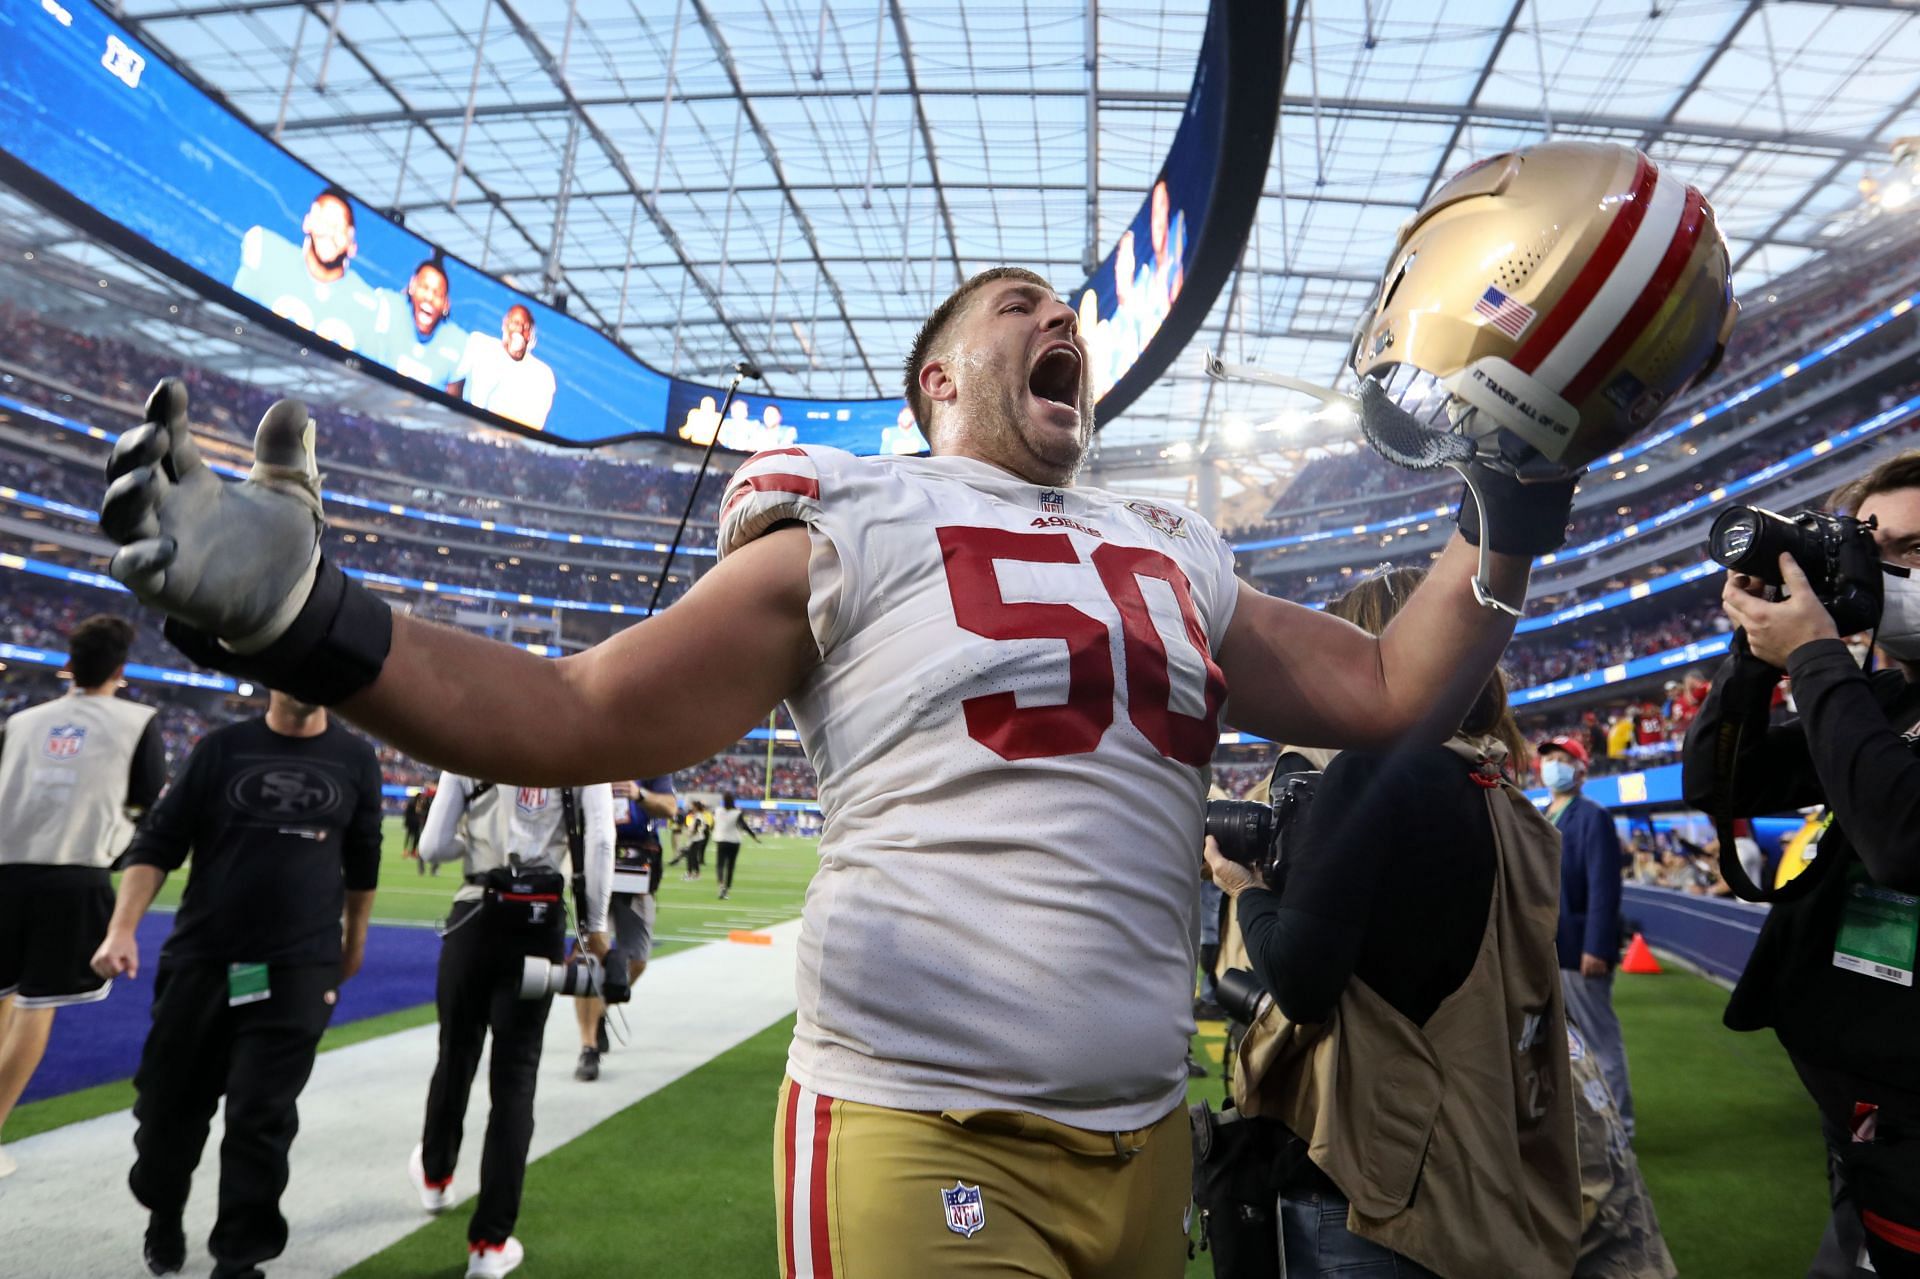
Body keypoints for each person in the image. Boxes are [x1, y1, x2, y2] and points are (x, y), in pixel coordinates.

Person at [100, 143, 1731, 1277]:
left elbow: (1388, 686)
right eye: (1018, 302)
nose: (1063, 318)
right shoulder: (852, 527)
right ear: (935, 382)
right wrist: (322, 619)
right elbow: (578, 709)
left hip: (1143, 1126)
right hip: (917, 1123)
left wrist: (1512, 511)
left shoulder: (1175, 545)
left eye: (1067, 309)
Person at [1205, 568, 1582, 1278]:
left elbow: (1300, 980)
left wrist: (1243, 886)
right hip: (1482, 1157)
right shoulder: (1501, 791)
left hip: (1369, 1179)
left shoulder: (1366, 775)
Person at [1683, 452, 1920, 1279]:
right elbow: (1718, 781)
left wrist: (1817, 655)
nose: (1894, 575)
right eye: (1880, 553)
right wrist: (1755, 655)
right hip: (1862, 1116)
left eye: (1918, 551)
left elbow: (1904, 835)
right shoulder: (1883, 704)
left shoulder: (1855, 696)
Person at [91, 690, 381, 1279]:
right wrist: (120, 929)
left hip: (299, 968)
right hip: (204, 959)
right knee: (168, 1112)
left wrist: (352, 946)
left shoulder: (356, 759)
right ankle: (164, 1209)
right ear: (267, 676)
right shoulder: (220, 749)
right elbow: (157, 843)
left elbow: (364, 859)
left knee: (261, 1115)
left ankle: (239, 1260)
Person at [410, 774, 613, 1278]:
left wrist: (476, 845)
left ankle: (436, 1179)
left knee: (455, 1054)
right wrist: (595, 925)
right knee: (515, 1081)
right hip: (537, 925)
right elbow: (601, 840)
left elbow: (433, 844)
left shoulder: (475, 742)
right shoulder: (582, 750)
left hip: (473, 916)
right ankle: (488, 1244)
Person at [0, 614, 166, 1178]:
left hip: (4, 871)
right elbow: (146, 804)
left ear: (68, 663)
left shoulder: (21, 721)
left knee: (4, 998)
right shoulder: (138, 721)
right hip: (74, 874)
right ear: (121, 669)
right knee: (35, 1007)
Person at [1540, 733, 1636, 1141]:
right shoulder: (1545, 813)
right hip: (1551, 947)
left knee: (1598, 1041)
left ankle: (1619, 1127)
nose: (1553, 765)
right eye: (1549, 758)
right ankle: (1580, 1122)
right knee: (1562, 1044)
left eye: (1563, 758)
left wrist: (1596, 946)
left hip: (1580, 949)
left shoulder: (1592, 815)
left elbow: (1603, 887)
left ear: (1581, 770)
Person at [574, 776, 675, 1082]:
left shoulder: (651, 760)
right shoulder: (591, 756)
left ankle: (600, 1010)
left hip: (636, 865)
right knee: (589, 956)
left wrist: (638, 793)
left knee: (637, 959)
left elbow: (670, 807)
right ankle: (588, 1046)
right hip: (594, 859)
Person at [231, 186, 382, 353]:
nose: (330, 233)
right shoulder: (269, 252)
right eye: (325, 221)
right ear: (307, 223)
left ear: (352, 246)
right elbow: (233, 321)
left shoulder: (369, 306)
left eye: (339, 228)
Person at [448, 305, 556, 430]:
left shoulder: (542, 375)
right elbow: (453, 384)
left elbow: (534, 426)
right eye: (515, 323)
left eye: (526, 328)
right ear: (504, 325)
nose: (520, 330)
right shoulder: (480, 344)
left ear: (531, 337)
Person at [372, 254, 468, 388]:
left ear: (446, 305)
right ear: (412, 287)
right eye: (424, 287)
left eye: (437, 293)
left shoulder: (460, 343)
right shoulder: (386, 305)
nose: (429, 297)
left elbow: (452, 402)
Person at [710, 793, 760, 900]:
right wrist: (754, 837)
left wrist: (712, 830)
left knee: (720, 864)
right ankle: (727, 888)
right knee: (730, 866)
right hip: (734, 841)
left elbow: (713, 824)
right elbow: (744, 826)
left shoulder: (718, 811)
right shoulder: (737, 812)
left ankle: (721, 885)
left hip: (721, 840)